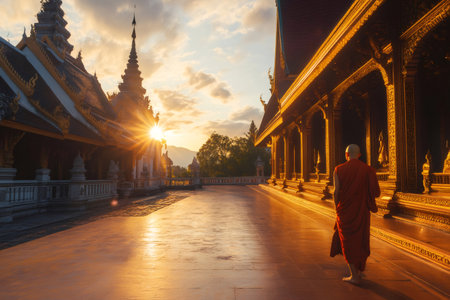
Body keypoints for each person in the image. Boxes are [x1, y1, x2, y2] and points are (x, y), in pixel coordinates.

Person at [330, 144, 380, 284]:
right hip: (362, 211)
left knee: (348, 241)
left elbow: (336, 192)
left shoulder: (338, 169)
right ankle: (357, 271)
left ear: (346, 155)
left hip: (345, 210)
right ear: (359, 155)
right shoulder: (368, 170)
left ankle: (354, 276)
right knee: (360, 239)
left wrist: (337, 207)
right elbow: (376, 192)